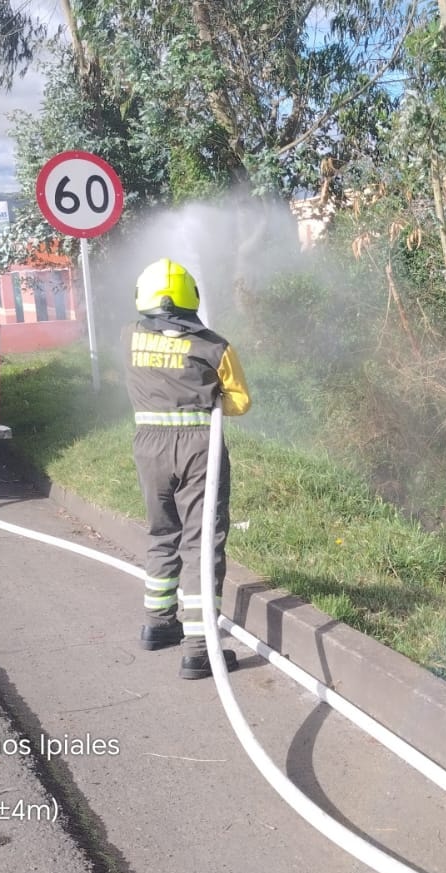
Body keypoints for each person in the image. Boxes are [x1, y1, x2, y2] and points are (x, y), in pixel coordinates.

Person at [122, 257, 252, 679]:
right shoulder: (216, 347)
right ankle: (200, 649)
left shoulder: (128, 337)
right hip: (200, 449)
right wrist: (210, 396)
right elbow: (239, 402)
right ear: (190, 296)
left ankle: (158, 624)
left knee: (163, 532)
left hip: (149, 448)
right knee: (201, 544)